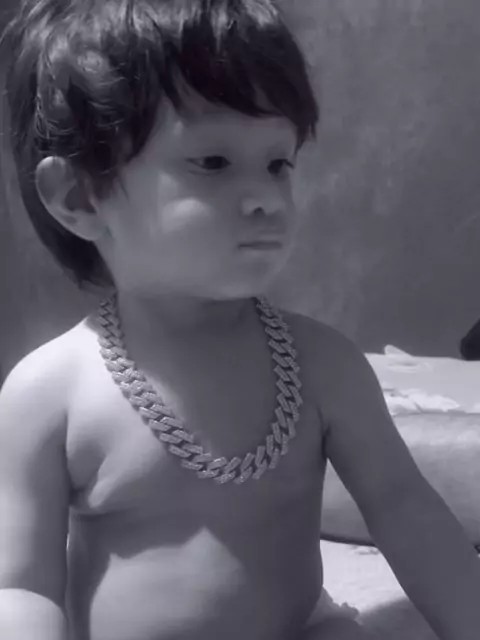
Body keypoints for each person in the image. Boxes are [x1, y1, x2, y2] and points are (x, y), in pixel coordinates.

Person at [0, 1, 479, 639]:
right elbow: (21, 586)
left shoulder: (323, 365)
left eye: (278, 163)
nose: (266, 199)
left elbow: (408, 512)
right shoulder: (49, 392)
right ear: (80, 197)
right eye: (214, 163)